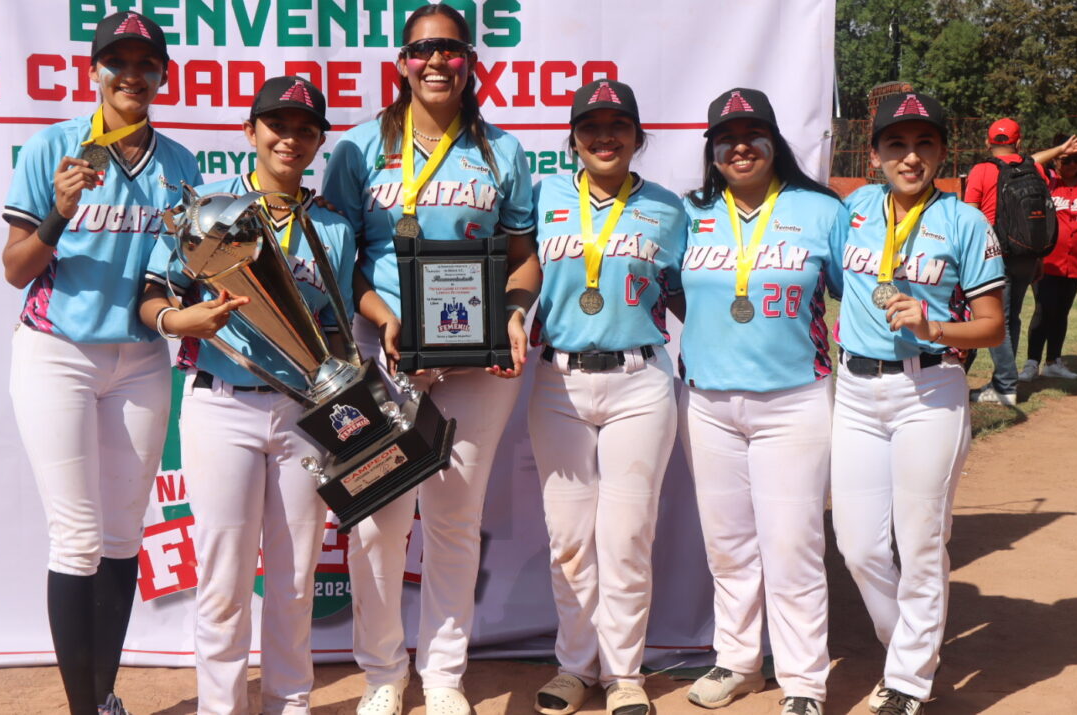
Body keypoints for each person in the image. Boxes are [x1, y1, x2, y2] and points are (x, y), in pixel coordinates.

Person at [319, 5, 537, 714]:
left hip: (475, 363)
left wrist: (510, 312)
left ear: (470, 60)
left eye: (450, 49)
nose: (436, 61)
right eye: (422, 50)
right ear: (402, 62)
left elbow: (522, 256)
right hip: (381, 355)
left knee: (453, 517)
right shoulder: (357, 149)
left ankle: (443, 673)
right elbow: (338, 259)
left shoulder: (504, 152)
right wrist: (382, 320)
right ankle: (384, 671)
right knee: (378, 518)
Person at [0, 12, 201, 715]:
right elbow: (14, 268)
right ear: (94, 73)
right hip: (56, 352)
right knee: (78, 535)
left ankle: (104, 695)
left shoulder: (178, 164)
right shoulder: (55, 147)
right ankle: (83, 709)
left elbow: (172, 272)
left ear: (161, 77)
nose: (133, 74)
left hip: (142, 357)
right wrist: (56, 213)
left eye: (147, 64)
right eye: (118, 61)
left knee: (122, 534)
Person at [139, 76, 354, 715]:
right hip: (221, 399)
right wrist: (180, 323)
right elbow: (153, 294)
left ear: (318, 142)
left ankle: (290, 702)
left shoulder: (333, 230)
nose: (290, 138)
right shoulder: (209, 212)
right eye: (277, 125)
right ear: (250, 131)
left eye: (305, 129)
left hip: (302, 412)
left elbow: (336, 328)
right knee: (224, 577)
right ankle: (221, 707)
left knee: (293, 579)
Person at [497, 79, 685, 715]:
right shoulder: (545, 195)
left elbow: (691, 294)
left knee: (628, 536)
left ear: (637, 136)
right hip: (557, 381)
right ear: (572, 137)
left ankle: (624, 673)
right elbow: (517, 268)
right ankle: (575, 665)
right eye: (591, 125)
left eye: (618, 125)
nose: (605, 136)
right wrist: (513, 315)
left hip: (640, 380)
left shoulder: (668, 207)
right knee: (571, 539)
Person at [833, 92, 1005, 715]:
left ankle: (907, 679)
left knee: (921, 538)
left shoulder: (964, 222)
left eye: (924, 143)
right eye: (897, 144)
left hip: (928, 388)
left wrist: (934, 326)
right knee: (858, 546)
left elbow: (991, 327)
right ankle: (907, 641)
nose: (911, 157)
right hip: (853, 391)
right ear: (874, 153)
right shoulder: (853, 210)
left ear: (941, 152)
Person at [676, 88, 846, 715]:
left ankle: (803, 680)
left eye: (753, 134)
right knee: (728, 545)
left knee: (793, 542)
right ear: (712, 150)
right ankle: (737, 660)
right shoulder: (690, 212)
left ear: (775, 140)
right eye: (727, 137)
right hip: (706, 401)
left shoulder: (822, 209)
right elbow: (669, 289)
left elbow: (850, 295)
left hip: (794, 399)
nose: (740, 146)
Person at [962, 120, 1077, 405]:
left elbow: (969, 216)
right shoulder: (1033, 168)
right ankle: (1006, 380)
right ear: (1019, 143)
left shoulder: (981, 170)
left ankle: (1004, 386)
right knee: (1010, 318)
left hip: (996, 256)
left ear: (987, 143)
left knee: (996, 322)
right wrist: (1058, 150)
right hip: (1028, 255)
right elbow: (1033, 159)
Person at [1019, 139, 1077, 381]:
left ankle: (1053, 361)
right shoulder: (1045, 180)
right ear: (1057, 159)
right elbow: (1030, 161)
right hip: (1046, 262)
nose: (1073, 165)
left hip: (1074, 262)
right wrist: (1059, 149)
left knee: (1061, 312)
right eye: (1067, 160)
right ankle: (1031, 363)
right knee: (1043, 310)